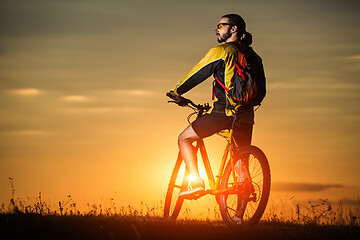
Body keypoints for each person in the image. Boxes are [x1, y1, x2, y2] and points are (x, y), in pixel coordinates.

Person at [168, 14, 265, 198]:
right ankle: (239, 220)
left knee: (184, 139)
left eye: (221, 25)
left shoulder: (222, 51)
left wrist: (177, 92)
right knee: (239, 162)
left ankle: (196, 182)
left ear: (234, 29)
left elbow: (197, 73)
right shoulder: (254, 56)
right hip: (246, 116)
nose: (216, 29)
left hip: (224, 114)